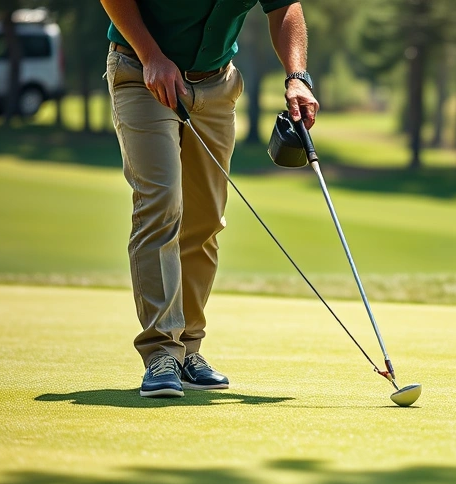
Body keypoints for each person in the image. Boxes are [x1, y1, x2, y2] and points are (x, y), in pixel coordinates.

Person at [99, 1, 319, 398]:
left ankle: (187, 349)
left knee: (205, 220)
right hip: (141, 71)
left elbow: (284, 7)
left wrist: (297, 76)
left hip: (216, 86)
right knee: (161, 203)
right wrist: (152, 56)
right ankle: (161, 352)